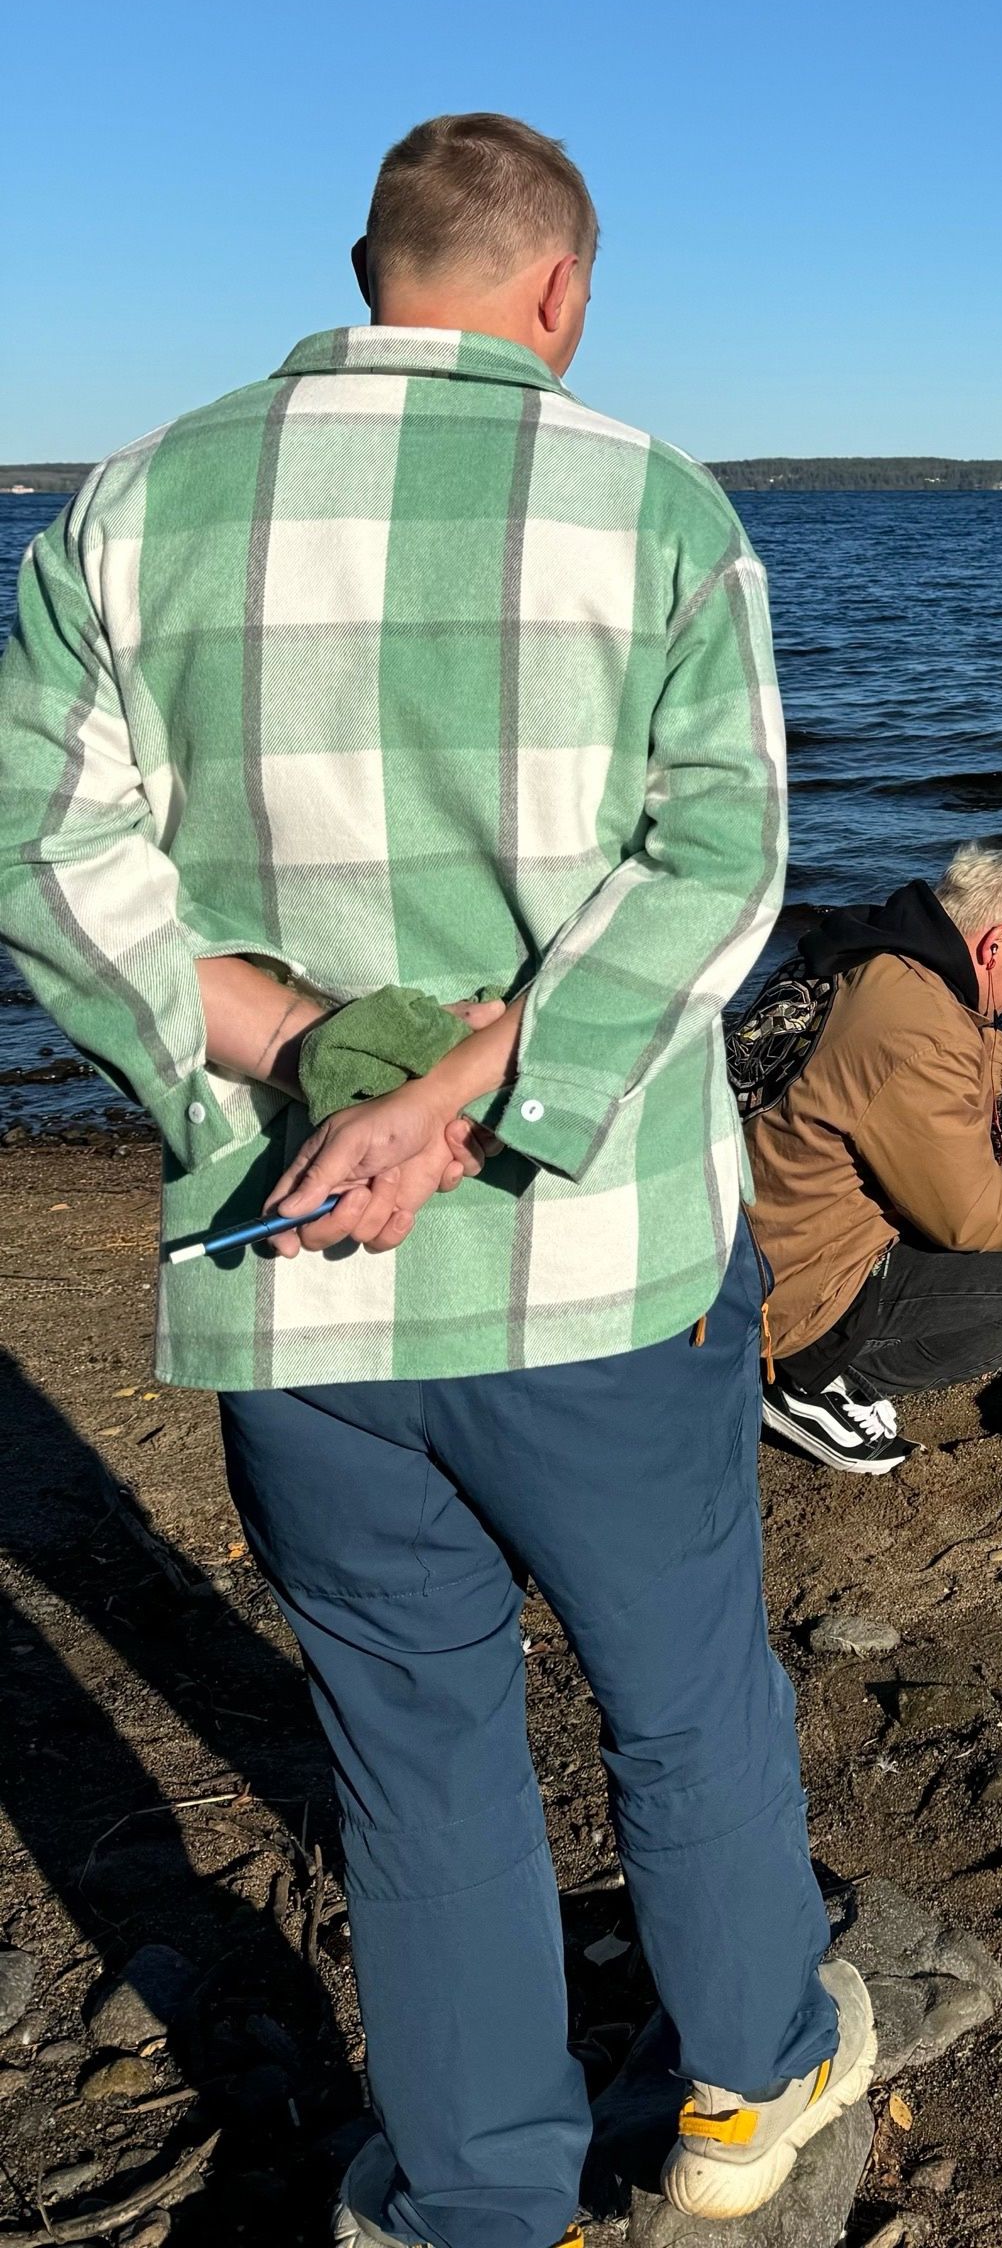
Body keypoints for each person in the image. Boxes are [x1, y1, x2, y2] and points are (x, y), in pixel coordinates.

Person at [0, 114, 868, 2248]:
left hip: (292, 1264)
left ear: (365, 269)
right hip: (599, 1264)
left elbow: (37, 854)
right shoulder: (649, 504)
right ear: (558, 289)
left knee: (413, 1752)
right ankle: (747, 2086)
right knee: (679, 1700)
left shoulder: (129, 505)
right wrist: (483, 1093)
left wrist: (306, 1057)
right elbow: (717, 861)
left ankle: (477, 2193)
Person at [743, 843, 1002, 1473]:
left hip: (746, 1238)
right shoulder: (923, 1034)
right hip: (793, 1288)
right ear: (995, 943)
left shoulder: (856, 952)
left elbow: (906, 1045)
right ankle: (807, 1376)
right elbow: (971, 1215)